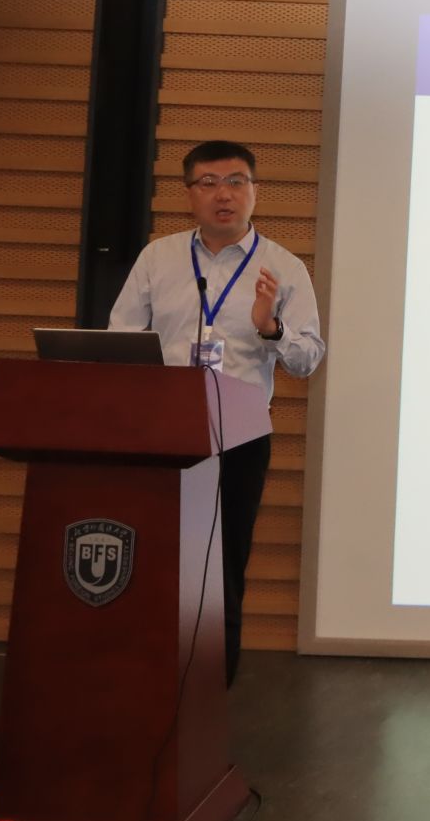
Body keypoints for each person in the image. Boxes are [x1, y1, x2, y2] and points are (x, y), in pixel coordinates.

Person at [108, 140, 325, 684]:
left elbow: (307, 360)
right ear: (189, 194)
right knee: (153, 555)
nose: (223, 194)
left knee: (222, 566)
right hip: (161, 430)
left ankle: (210, 687)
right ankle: (146, 675)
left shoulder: (283, 266)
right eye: (208, 183)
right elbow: (120, 337)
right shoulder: (158, 258)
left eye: (235, 182)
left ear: (255, 191)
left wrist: (270, 327)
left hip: (239, 435)